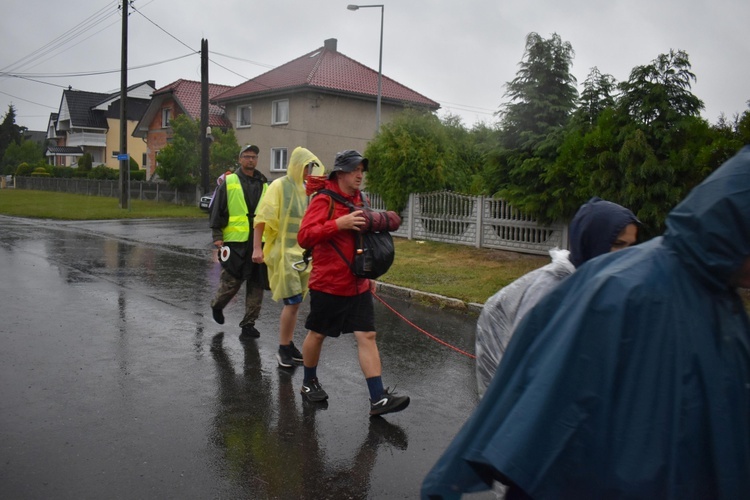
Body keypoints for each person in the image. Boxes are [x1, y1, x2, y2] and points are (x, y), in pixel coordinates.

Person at [422, 146, 750, 499]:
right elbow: (540, 408)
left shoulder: (721, 304)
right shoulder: (605, 292)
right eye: (616, 244)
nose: (622, 254)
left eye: (628, 244)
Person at [475, 197, 639, 396]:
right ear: (592, 239)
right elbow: (530, 362)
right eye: (618, 244)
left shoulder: (599, 284)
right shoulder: (551, 290)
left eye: (630, 246)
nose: (626, 255)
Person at [296, 149, 410, 416]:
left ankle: (377, 398)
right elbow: (304, 237)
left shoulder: (361, 199)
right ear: (340, 172)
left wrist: (369, 276)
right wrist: (338, 224)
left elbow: (364, 241)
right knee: (318, 333)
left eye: (362, 170)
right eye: (355, 170)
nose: (360, 175)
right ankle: (308, 382)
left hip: (357, 283)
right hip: (328, 283)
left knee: (367, 335)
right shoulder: (324, 200)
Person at [252, 146, 325, 368]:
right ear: (296, 165)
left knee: (296, 304)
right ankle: (283, 348)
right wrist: (258, 248)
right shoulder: (279, 186)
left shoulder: (307, 190)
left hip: (303, 254)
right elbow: (261, 218)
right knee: (292, 302)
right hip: (284, 253)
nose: (308, 171)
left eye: (311, 167)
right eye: (305, 166)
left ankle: (288, 345)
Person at [209, 144, 268, 342]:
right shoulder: (230, 181)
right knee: (231, 282)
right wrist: (217, 235)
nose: (251, 160)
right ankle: (217, 305)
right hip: (236, 243)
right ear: (240, 158)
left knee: (256, 284)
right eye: (247, 156)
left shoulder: (264, 183)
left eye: (254, 157)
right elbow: (218, 208)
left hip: (259, 241)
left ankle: (249, 324)